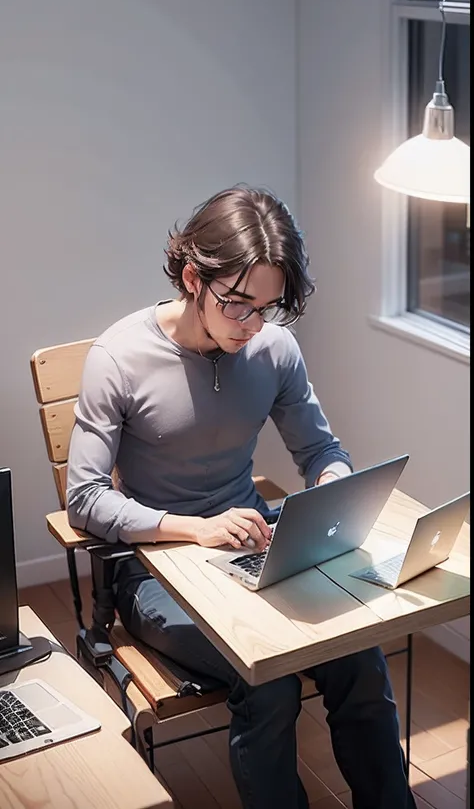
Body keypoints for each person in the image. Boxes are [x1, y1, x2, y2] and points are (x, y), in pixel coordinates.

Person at [67, 185, 416, 809]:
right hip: (155, 570)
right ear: (193, 277)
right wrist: (193, 529)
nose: (252, 325)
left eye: (268, 307)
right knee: (271, 673)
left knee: (358, 653)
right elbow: (85, 500)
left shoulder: (273, 348)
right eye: (237, 304)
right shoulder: (118, 357)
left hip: (252, 539)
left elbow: (320, 451)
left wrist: (331, 486)